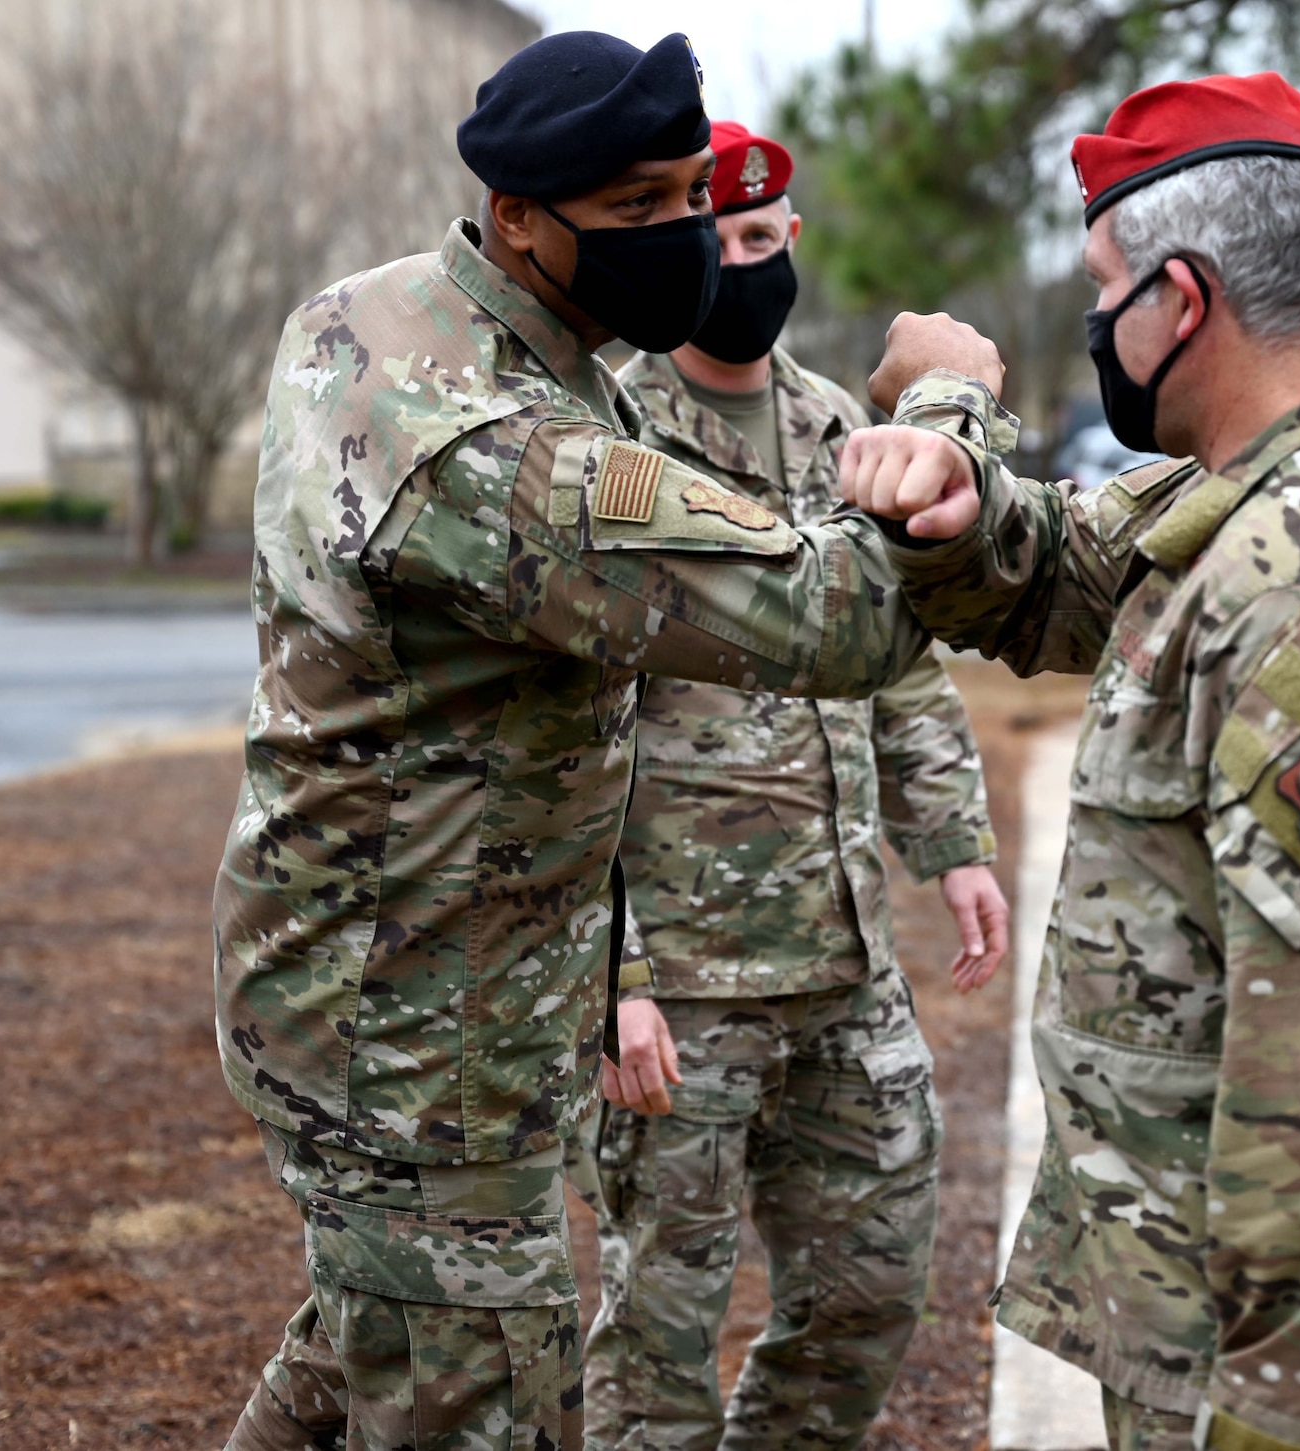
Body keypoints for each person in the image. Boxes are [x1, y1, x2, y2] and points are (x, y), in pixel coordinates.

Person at [215, 33, 938, 1451]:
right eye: (641, 211)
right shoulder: (500, 447)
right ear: (521, 220)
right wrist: (943, 411)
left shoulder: (372, 316)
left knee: (356, 1357)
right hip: (419, 1053)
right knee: (475, 1375)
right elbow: (838, 620)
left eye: (693, 196)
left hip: (378, 992)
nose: (686, 238)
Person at [840, 74, 1300, 1451]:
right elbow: (1057, 572)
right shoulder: (1258, 486)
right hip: (1194, 1299)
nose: (1095, 323)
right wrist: (950, 469)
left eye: (1104, 291)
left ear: (1185, 298)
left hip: (1269, 1357)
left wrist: (1275, 1416)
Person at [570, 121, 1009, 1451]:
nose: (740, 261)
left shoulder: (846, 433)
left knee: (872, 1286)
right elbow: (564, 727)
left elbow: (901, 662)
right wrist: (616, 974)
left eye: (761, 238)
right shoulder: (616, 438)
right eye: (714, 238)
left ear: (792, 242)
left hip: (842, 960)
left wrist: (956, 842)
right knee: (659, 1336)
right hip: (683, 983)